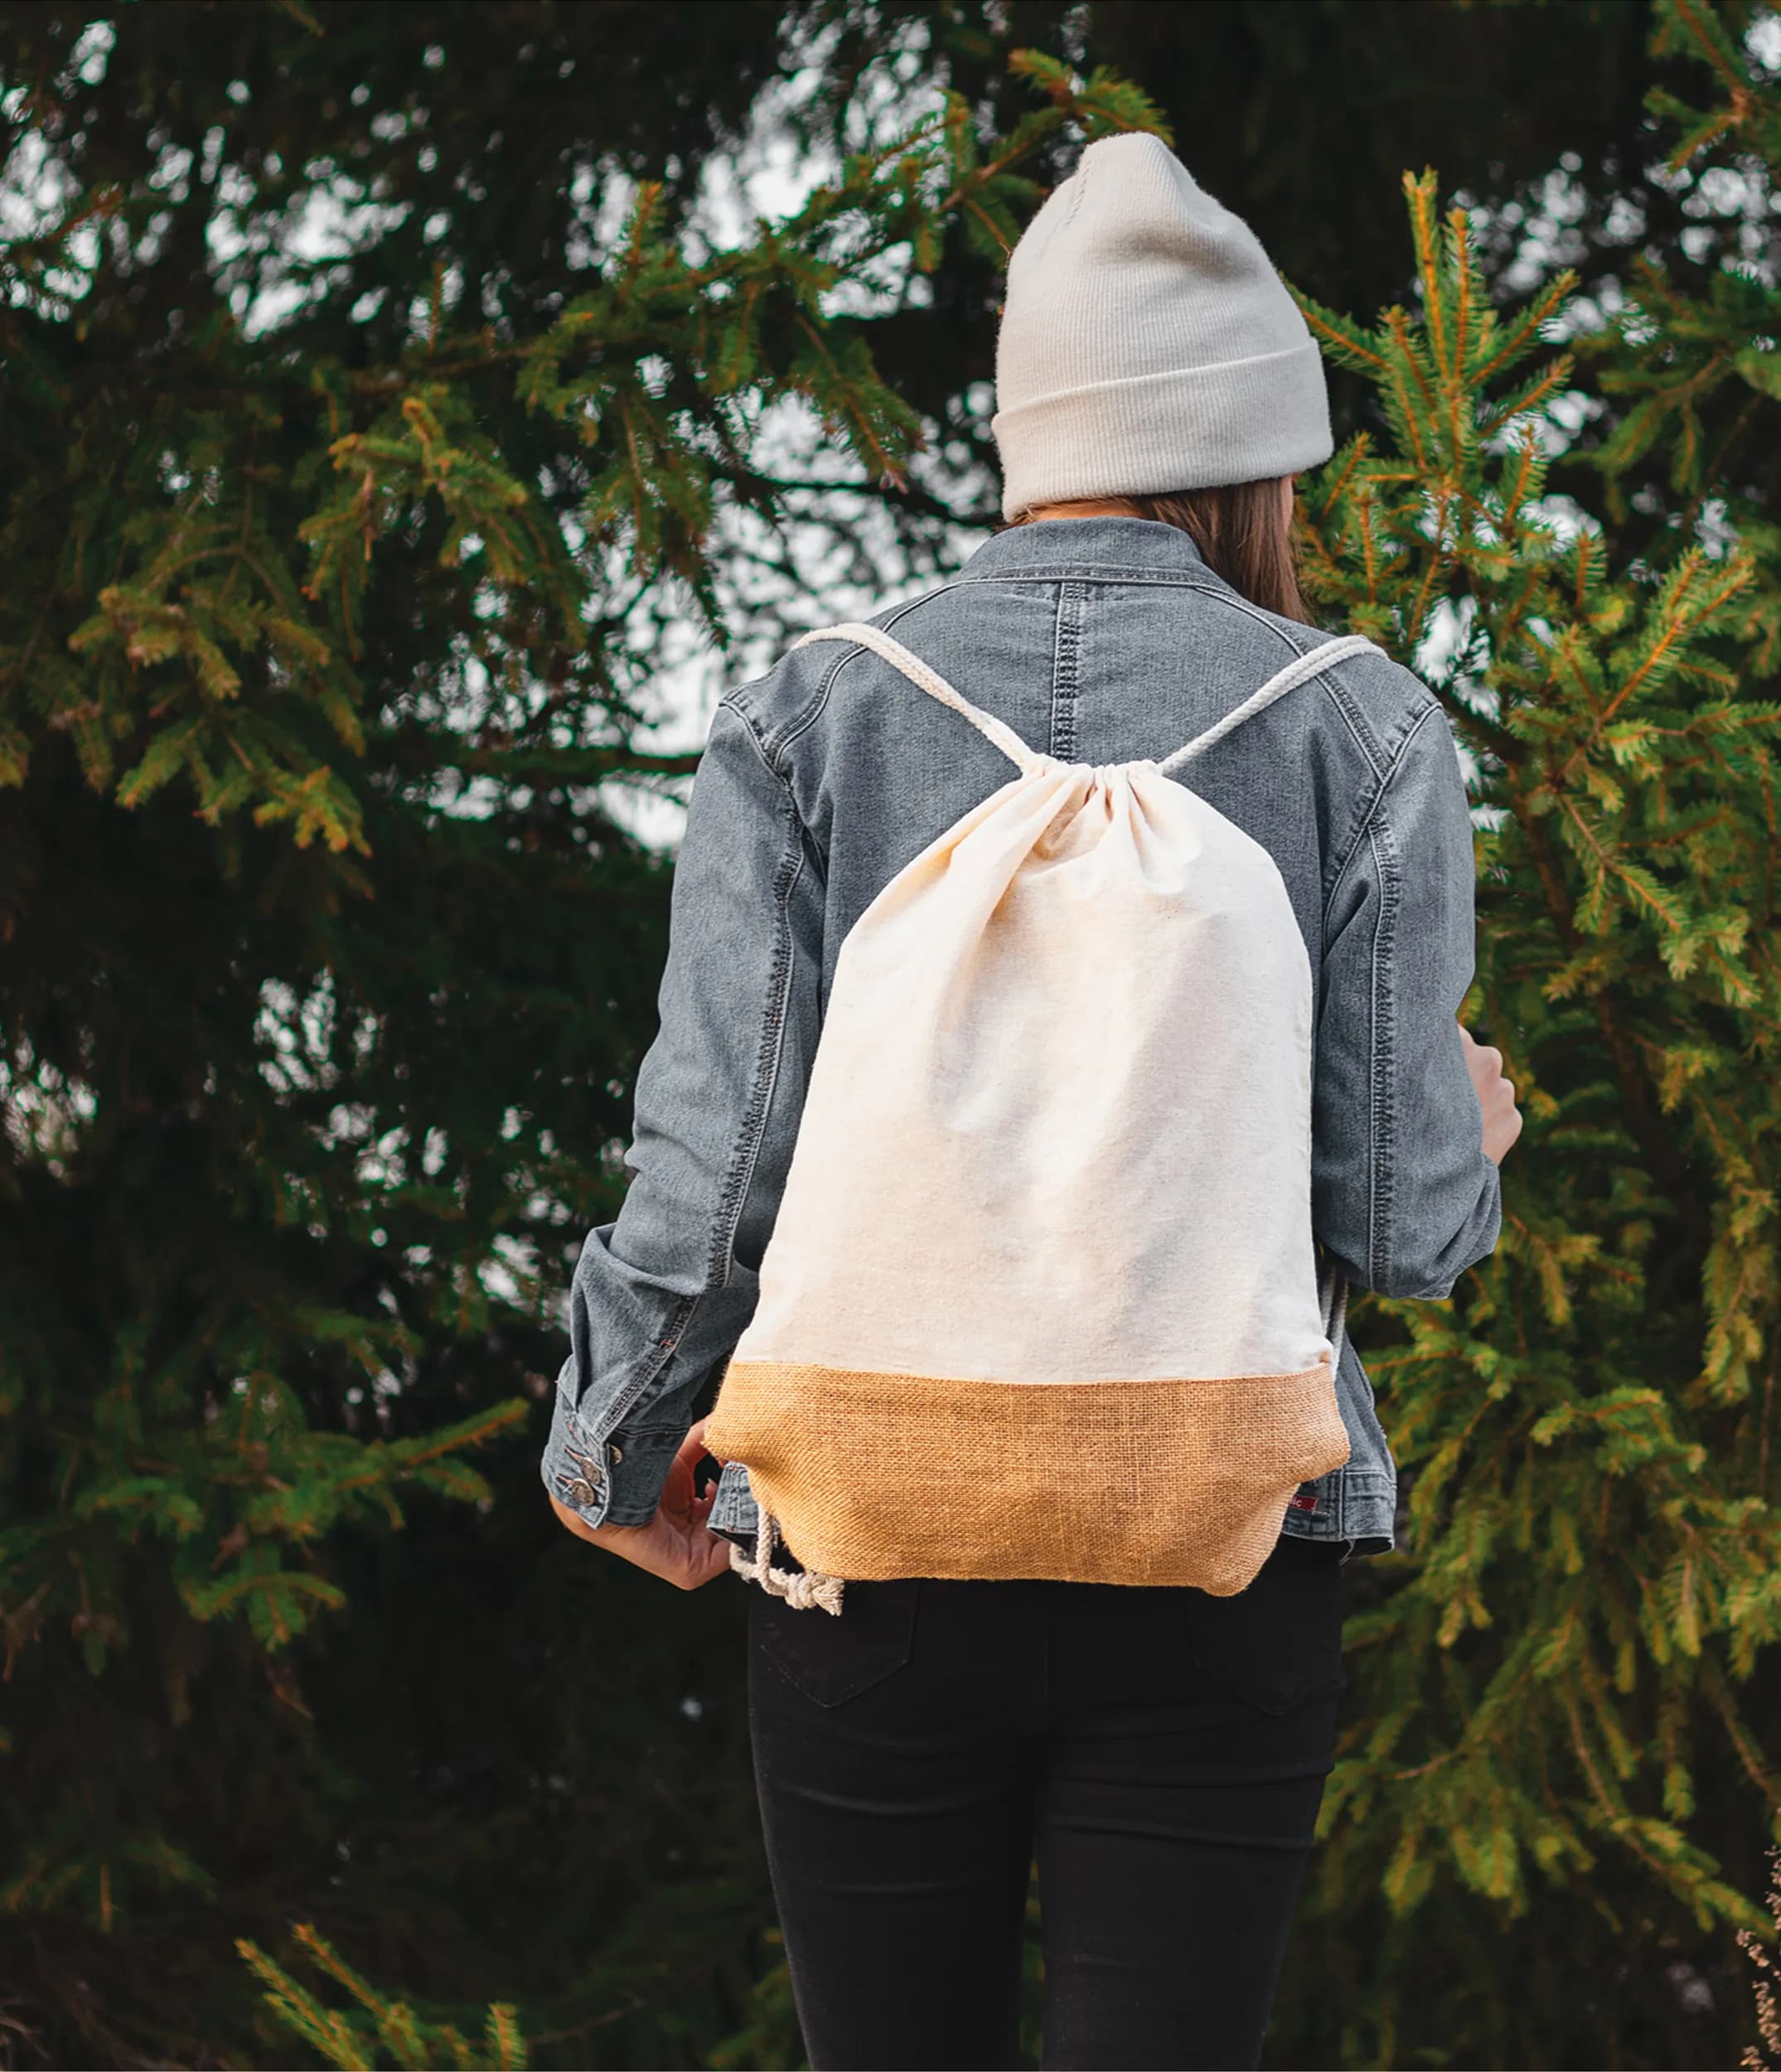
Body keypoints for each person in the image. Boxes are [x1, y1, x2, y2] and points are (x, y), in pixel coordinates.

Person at [540, 132, 1520, 2072]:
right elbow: (1403, 1231)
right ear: (1252, 449)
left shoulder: (810, 712)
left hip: (873, 1543)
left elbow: (717, 1168)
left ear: (1027, 427)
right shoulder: (1361, 723)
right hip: (1225, 1537)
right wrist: (1469, 1137)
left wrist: (612, 1451)